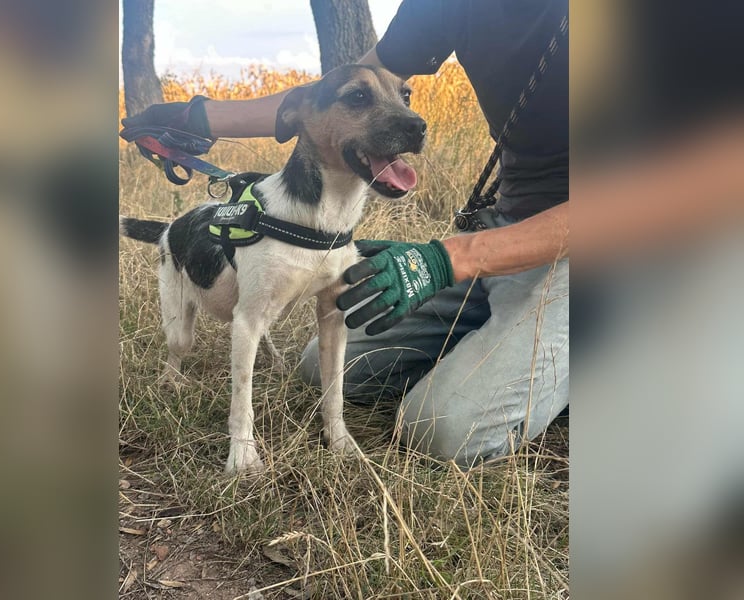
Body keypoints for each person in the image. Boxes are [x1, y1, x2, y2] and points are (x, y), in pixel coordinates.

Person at [122, 0, 569, 468]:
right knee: (317, 368)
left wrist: (453, 257)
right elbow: (337, 91)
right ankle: (497, 344)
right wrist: (198, 117)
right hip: (509, 223)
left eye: (407, 98)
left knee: (445, 430)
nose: (413, 122)